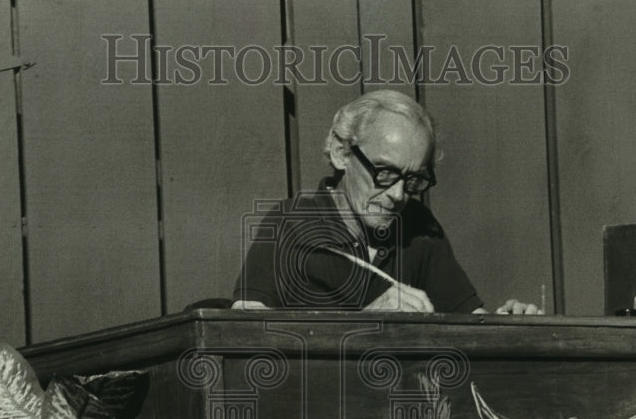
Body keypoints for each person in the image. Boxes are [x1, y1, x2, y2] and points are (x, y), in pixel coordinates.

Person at [232, 89, 541, 315]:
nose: (397, 196)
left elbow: (471, 328)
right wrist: (365, 325)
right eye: (385, 172)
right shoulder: (290, 225)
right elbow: (243, 341)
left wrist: (508, 325)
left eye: (413, 180)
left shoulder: (419, 228)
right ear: (342, 153)